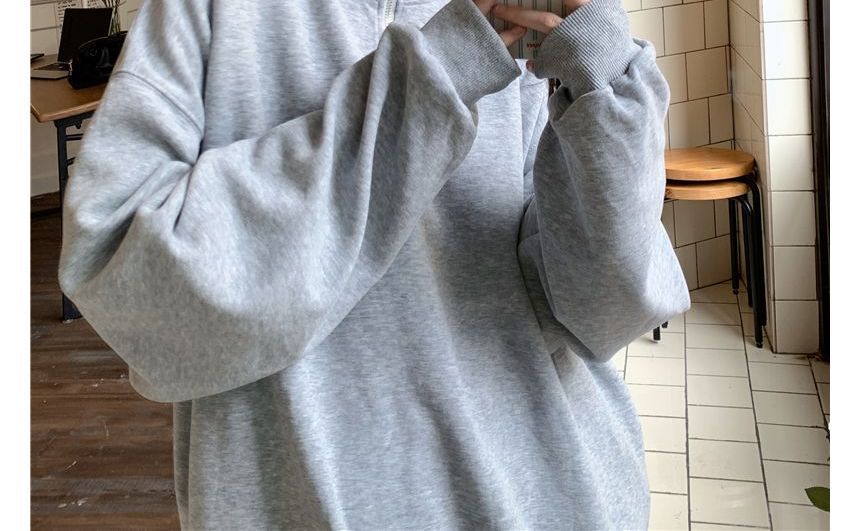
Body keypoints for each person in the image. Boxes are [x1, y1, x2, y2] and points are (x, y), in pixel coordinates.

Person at [58, 0, 691, 528]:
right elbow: (134, 299)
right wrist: (439, 74)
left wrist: (599, 66)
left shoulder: (528, 15)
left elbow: (606, 315)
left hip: (551, 499)